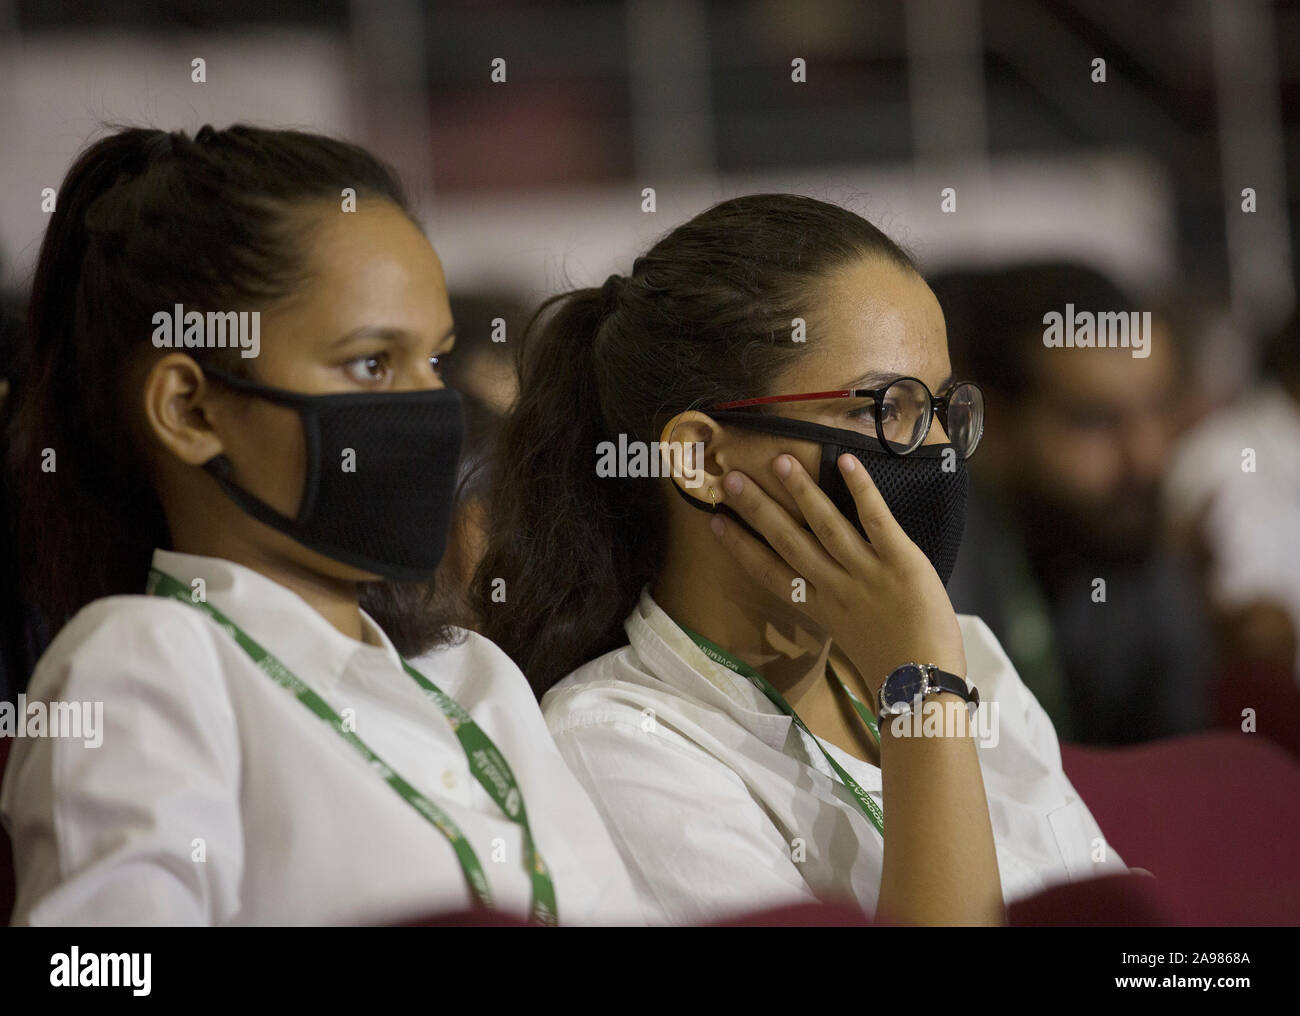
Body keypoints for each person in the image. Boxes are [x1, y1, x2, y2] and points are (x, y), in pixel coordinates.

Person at [0, 124, 640, 926]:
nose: (428, 408)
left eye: (434, 362)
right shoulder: (144, 661)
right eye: (372, 363)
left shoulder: (473, 674)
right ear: (190, 409)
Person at [473, 193, 1131, 926]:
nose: (938, 453)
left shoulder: (968, 652)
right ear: (701, 456)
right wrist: (920, 692)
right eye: (884, 411)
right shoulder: (619, 745)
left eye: (944, 410)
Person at [932, 263, 1212, 745]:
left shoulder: (1126, 540)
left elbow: (1175, 755)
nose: (1147, 457)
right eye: (1094, 420)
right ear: (988, 424)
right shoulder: (935, 566)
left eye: (1158, 408)